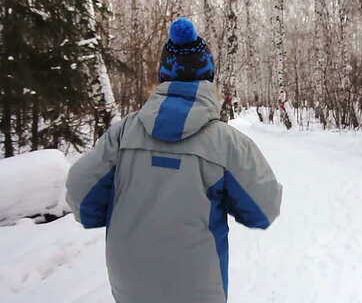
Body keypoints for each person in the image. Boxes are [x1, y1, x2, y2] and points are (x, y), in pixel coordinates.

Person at [66, 18, 282, 303]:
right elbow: (264, 209)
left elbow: (81, 198)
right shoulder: (227, 143)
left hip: (129, 286)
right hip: (197, 290)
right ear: (208, 75)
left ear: (163, 75)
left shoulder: (123, 134)